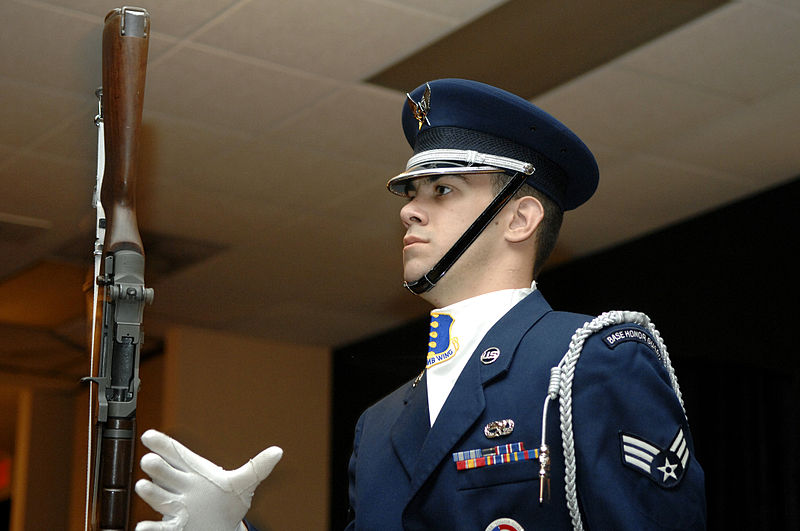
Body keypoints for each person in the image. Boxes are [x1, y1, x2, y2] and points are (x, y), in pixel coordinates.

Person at [134, 79, 706, 531]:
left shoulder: (589, 361)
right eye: (412, 193)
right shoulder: (380, 425)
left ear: (519, 217)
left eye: (444, 189)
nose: (409, 210)